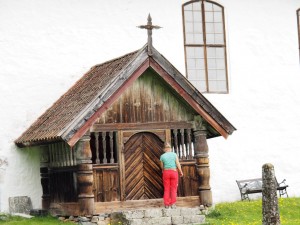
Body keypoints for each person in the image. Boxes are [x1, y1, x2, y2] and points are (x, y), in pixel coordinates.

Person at [160, 142, 183, 209]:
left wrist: (163, 169)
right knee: (173, 188)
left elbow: (161, 166)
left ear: (164, 149)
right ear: (170, 148)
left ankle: (166, 205)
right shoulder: (174, 154)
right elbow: (178, 164)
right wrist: (180, 171)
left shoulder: (162, 156)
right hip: (174, 172)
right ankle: (173, 204)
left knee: (166, 189)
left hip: (166, 172)